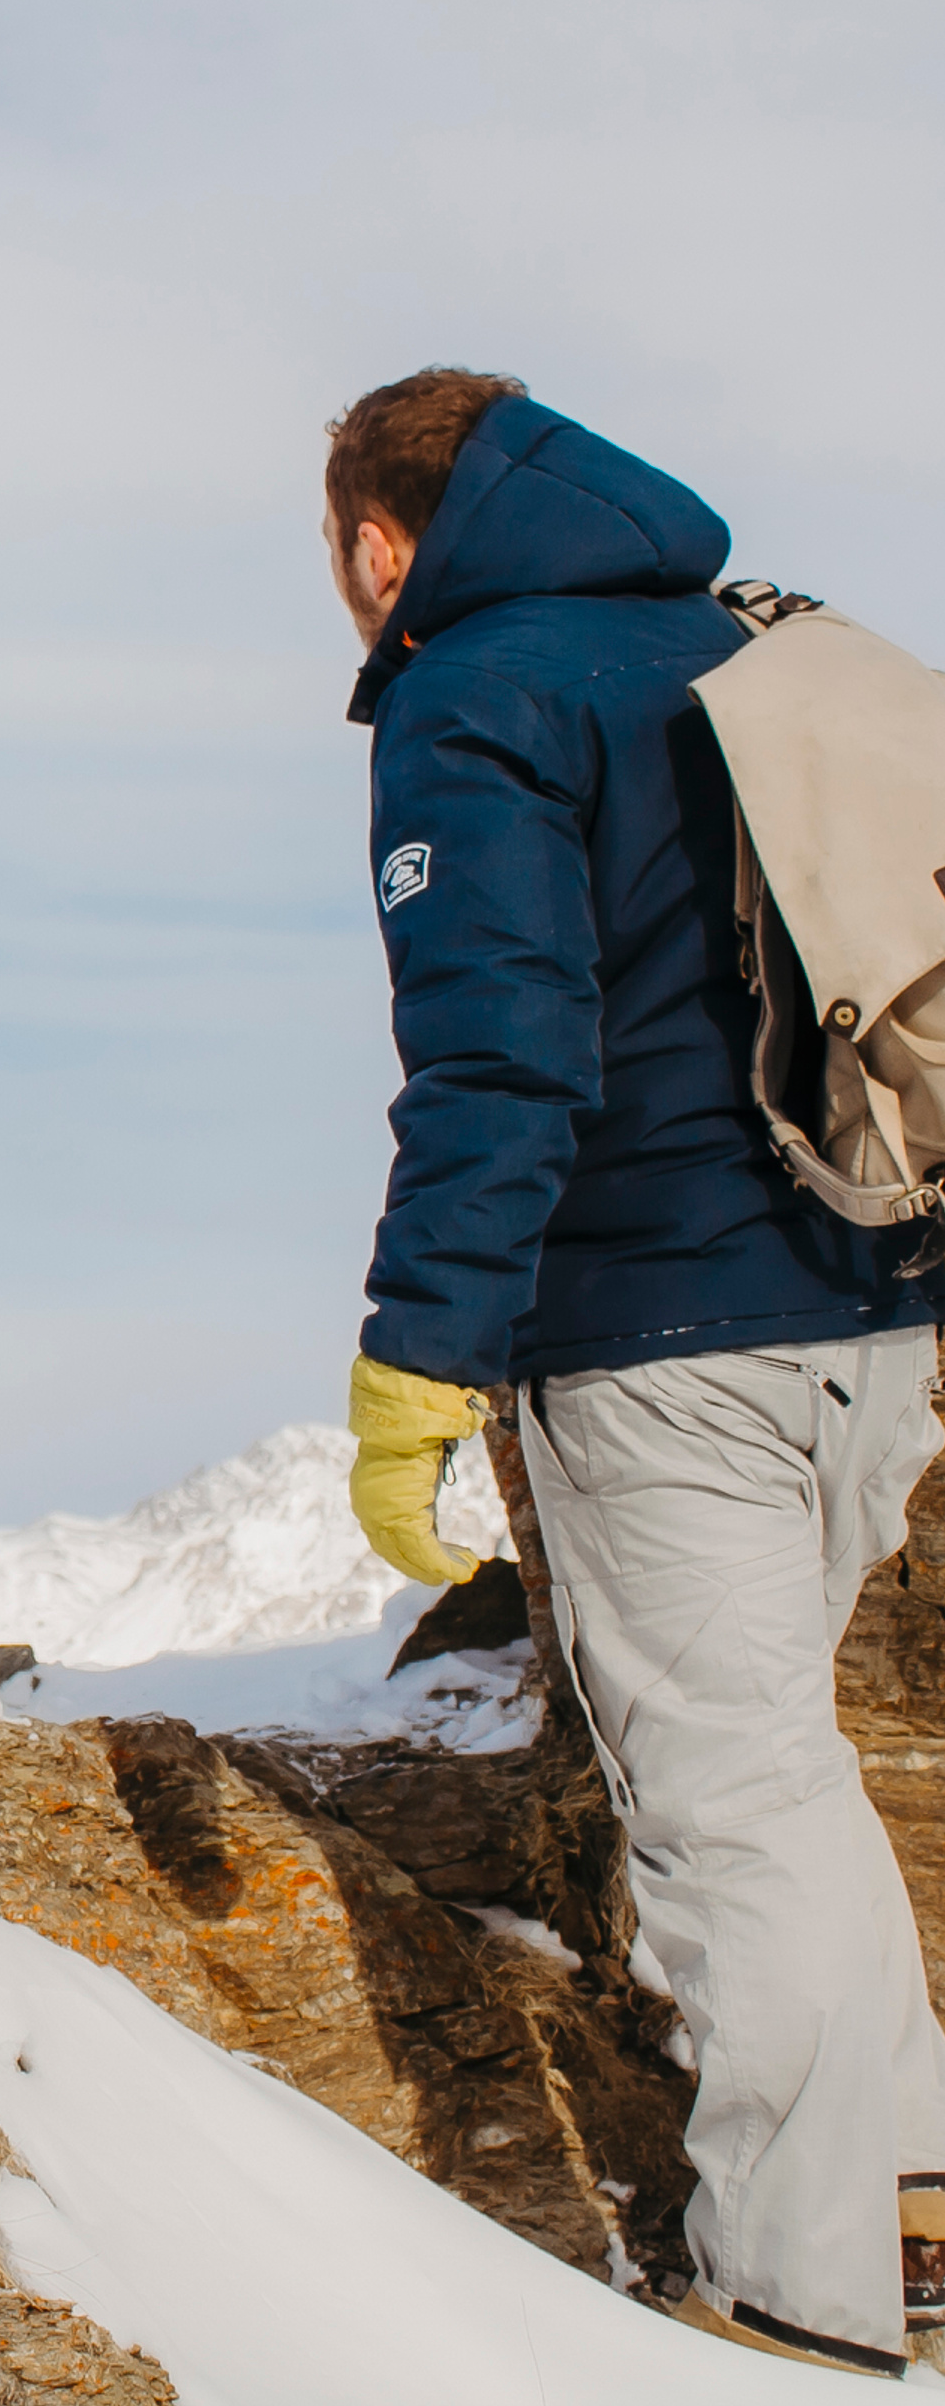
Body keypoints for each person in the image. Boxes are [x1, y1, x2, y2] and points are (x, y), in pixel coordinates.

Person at [327, 369, 945, 2377]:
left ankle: (797, 2291)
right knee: (784, 1772)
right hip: (875, 1310)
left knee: (727, 1802)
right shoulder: (757, 645)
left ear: (377, 539)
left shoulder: (470, 688)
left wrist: (417, 1353)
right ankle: (911, 2198)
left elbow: (500, 1054)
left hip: (658, 1335)